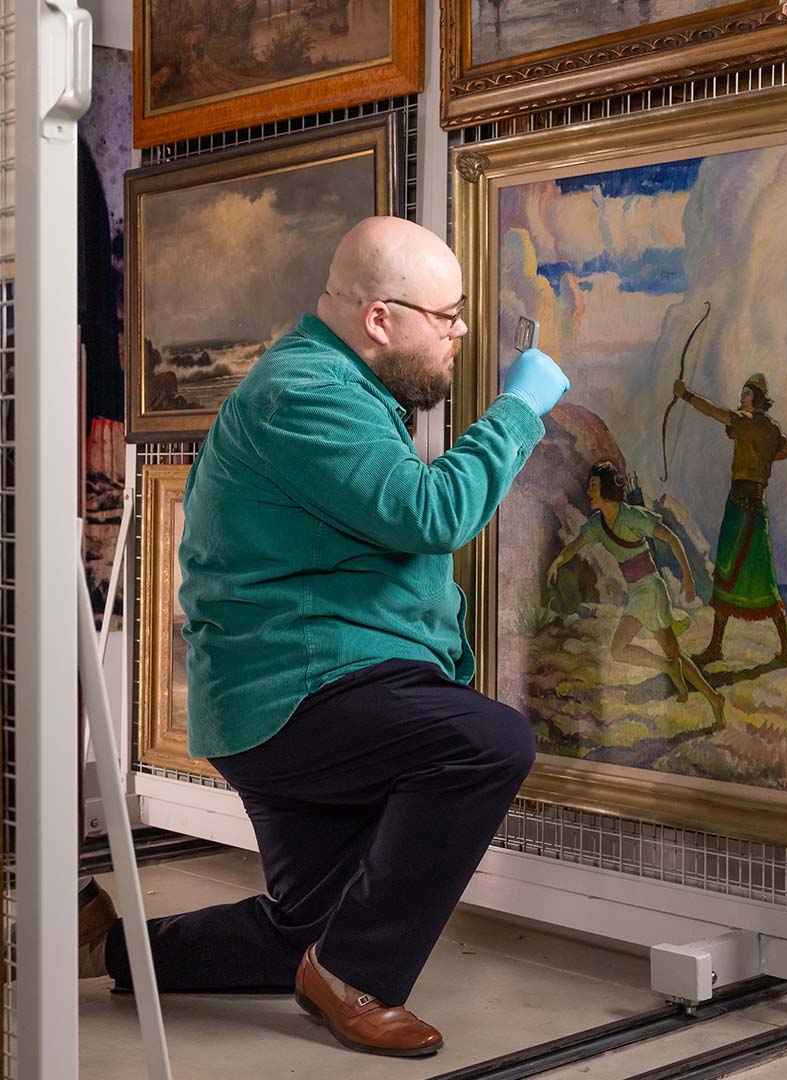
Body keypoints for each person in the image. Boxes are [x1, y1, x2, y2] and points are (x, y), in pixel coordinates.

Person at [76, 216, 569, 1057]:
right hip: (300, 693)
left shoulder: (344, 388)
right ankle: (353, 980)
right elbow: (431, 513)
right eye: (445, 316)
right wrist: (520, 409)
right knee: (488, 742)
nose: (459, 335)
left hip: (290, 692)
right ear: (382, 318)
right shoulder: (304, 393)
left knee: (306, 930)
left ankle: (104, 944)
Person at [546, 461, 725, 724]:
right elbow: (575, 546)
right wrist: (558, 561)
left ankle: (680, 675)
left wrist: (688, 577)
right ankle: (710, 696)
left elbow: (672, 539)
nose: (588, 491)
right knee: (672, 654)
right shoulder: (597, 524)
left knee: (621, 649)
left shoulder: (632, 516)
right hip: (638, 592)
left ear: (606, 488)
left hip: (651, 590)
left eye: (594, 486)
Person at [671, 373, 787, 667]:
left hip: (739, 506)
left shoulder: (744, 420)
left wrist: (686, 395)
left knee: (726, 570)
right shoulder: (772, 429)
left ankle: (716, 646)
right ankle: (785, 650)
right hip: (757, 507)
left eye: (746, 394)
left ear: (756, 399)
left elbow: (714, 412)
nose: (742, 398)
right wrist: (763, 458)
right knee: (762, 576)